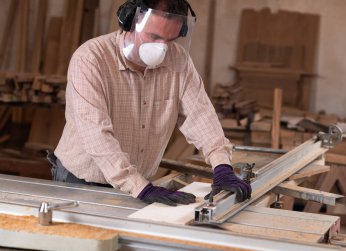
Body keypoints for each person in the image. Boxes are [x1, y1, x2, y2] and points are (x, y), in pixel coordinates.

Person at [49, 0, 252, 206]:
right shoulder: (91, 59)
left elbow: (200, 117)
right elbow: (96, 135)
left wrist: (222, 167)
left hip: (140, 185)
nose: (161, 48)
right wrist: (140, 187)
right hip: (82, 181)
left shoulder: (178, 60)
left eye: (170, 40)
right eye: (154, 36)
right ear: (131, 22)